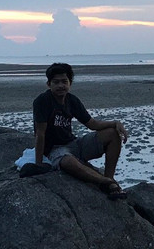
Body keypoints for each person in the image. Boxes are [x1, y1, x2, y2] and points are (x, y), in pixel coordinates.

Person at [30, 62, 129, 199]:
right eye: (56, 82)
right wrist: (38, 163)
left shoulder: (72, 100)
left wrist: (115, 123)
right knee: (68, 162)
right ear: (49, 84)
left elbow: (92, 124)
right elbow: (40, 134)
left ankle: (109, 178)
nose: (60, 86)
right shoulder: (42, 101)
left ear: (70, 83)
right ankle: (104, 182)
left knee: (112, 134)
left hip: (73, 144)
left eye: (64, 82)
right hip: (54, 149)